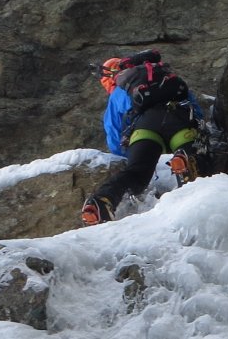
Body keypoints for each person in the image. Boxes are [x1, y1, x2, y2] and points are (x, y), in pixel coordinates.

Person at [81, 51, 210, 225]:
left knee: (136, 173)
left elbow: (113, 130)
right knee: (194, 156)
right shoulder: (166, 78)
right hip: (179, 120)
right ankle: (184, 161)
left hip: (144, 128)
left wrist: (129, 155)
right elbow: (195, 108)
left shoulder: (119, 92)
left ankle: (101, 200)